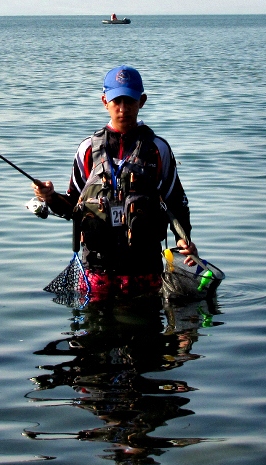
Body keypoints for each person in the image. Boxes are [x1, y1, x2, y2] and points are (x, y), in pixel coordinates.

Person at [33, 65, 199, 300]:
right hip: (96, 274)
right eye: (116, 101)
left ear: (141, 101)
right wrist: (49, 197)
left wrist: (184, 239)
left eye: (130, 101)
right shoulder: (87, 150)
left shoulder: (158, 149)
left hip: (145, 271)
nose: (123, 109)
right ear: (105, 101)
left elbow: (176, 203)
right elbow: (73, 206)